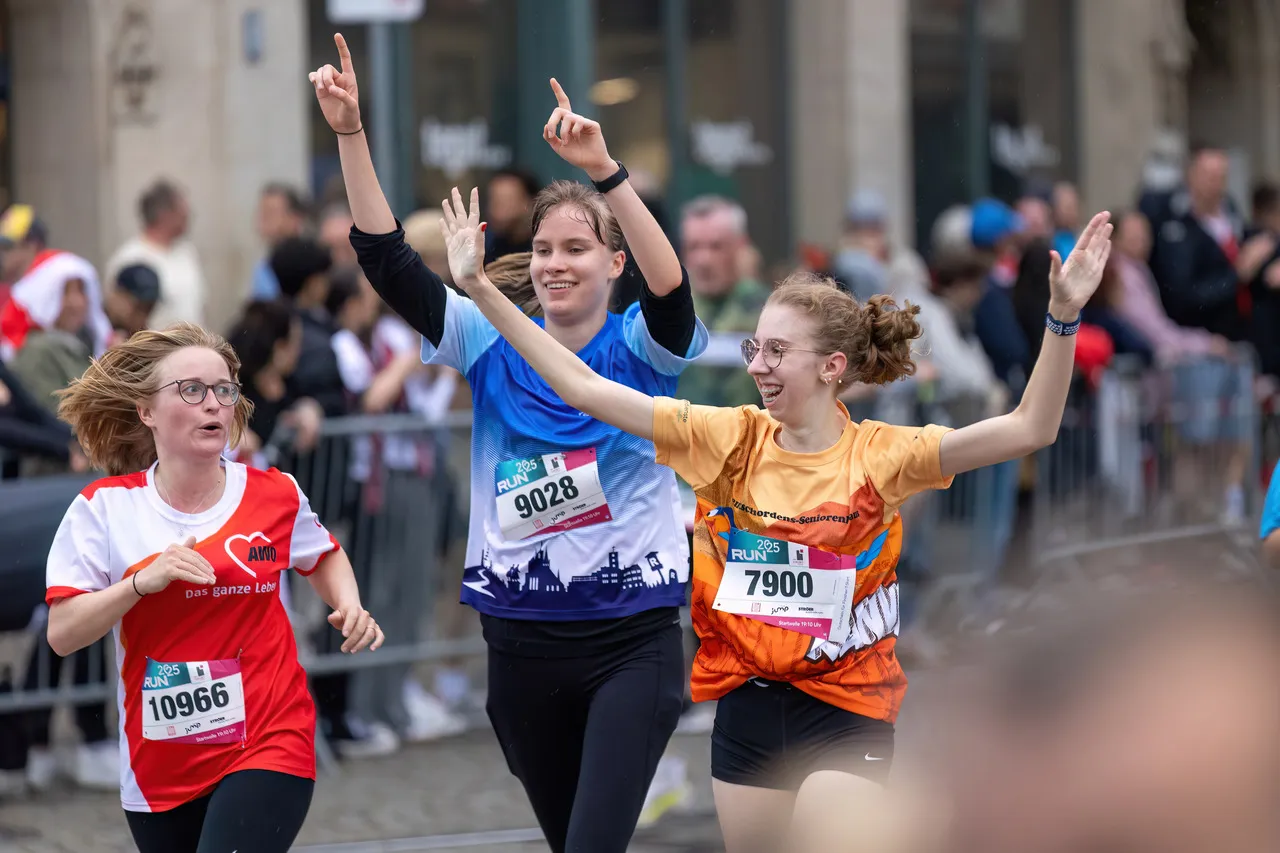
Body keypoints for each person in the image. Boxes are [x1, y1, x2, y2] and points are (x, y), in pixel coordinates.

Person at [436, 185, 1113, 852]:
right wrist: (484, 291)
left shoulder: (883, 455)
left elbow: (1031, 426)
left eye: (777, 352)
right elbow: (582, 386)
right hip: (748, 714)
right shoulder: (726, 437)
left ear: (832, 366)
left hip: (847, 710)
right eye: (754, 349)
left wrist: (1061, 317)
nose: (757, 365)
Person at [309, 34, 707, 853]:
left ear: (614, 261)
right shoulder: (487, 335)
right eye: (545, 249)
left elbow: (673, 290)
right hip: (520, 638)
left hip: (631, 636)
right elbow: (387, 262)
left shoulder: (642, 347)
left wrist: (606, 171)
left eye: (577, 249)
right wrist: (351, 134)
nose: (556, 264)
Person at [43, 322, 385, 853]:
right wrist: (139, 584)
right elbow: (63, 633)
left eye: (224, 391)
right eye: (192, 390)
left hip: (270, 737)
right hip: (161, 760)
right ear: (146, 410)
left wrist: (349, 603)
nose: (213, 405)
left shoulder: (273, 493)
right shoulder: (104, 508)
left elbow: (323, 555)